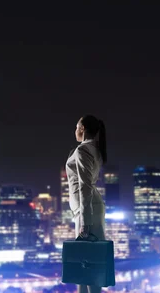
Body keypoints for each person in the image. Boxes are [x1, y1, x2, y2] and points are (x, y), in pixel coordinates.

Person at [65, 115, 107, 293]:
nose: (74, 130)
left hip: (87, 212)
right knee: (84, 265)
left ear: (82, 128)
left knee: (90, 266)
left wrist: (85, 221)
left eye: (76, 126)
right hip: (87, 210)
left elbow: (85, 186)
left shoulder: (83, 150)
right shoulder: (94, 149)